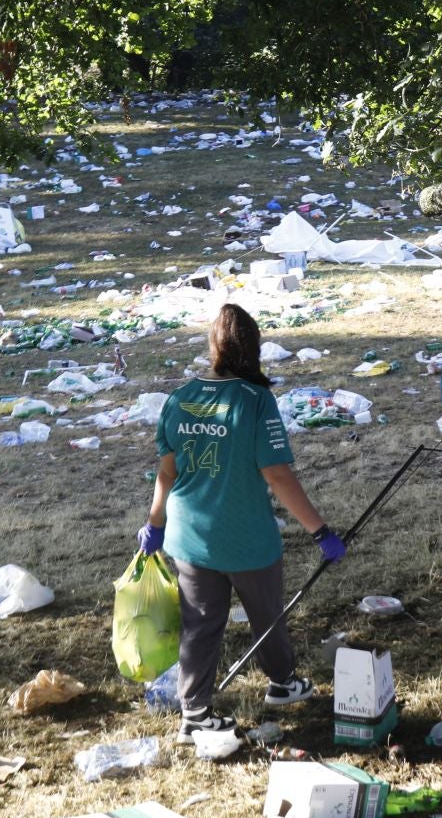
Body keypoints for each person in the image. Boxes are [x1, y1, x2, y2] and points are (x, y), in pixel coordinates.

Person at [136, 304, 345, 741]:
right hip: (246, 536)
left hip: (189, 537)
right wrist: (320, 531)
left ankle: (194, 713)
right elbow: (277, 475)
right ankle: (283, 682)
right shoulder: (254, 400)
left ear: (215, 346)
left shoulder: (179, 398)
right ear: (254, 347)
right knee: (267, 613)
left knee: (200, 622)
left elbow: (167, 471)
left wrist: (155, 523)